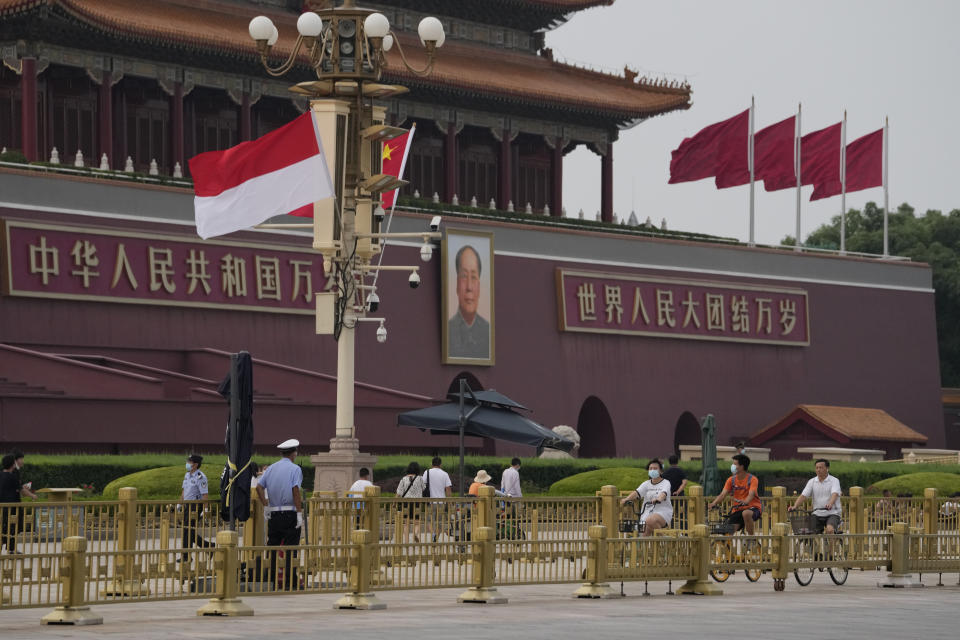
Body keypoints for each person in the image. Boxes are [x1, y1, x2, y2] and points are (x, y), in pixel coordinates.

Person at [256, 438, 304, 590]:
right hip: (289, 513)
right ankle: (290, 581)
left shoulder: (270, 468)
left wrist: (266, 505)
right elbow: (295, 490)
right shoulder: (295, 469)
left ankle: (270, 579)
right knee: (290, 549)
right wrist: (299, 512)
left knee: (273, 547)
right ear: (294, 453)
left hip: (274, 514)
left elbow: (259, 487)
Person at [448, 244, 490, 359]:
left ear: (479, 287)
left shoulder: (488, 332)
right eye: (464, 276)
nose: (469, 287)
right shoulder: (448, 330)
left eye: (474, 277)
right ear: (457, 284)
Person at [708, 453, 762, 535]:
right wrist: (714, 503)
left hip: (753, 508)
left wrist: (746, 501)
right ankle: (726, 546)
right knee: (727, 531)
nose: (732, 466)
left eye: (735, 464)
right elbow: (722, 495)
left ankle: (752, 539)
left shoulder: (753, 479)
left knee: (746, 513)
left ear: (742, 466)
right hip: (737, 510)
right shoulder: (731, 480)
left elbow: (751, 495)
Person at [788, 458, 842, 534]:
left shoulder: (834, 480)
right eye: (817, 468)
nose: (818, 470)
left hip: (832, 513)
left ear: (827, 468)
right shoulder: (812, 481)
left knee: (830, 530)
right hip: (817, 513)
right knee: (807, 531)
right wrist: (795, 506)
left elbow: (835, 494)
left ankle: (830, 546)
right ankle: (813, 546)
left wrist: (830, 504)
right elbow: (803, 495)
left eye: (821, 467)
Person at [620, 458, 672, 536]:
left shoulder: (666, 483)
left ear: (661, 471)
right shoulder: (646, 484)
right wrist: (626, 499)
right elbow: (637, 492)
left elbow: (663, 493)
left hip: (662, 512)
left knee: (650, 520)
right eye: (650, 468)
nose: (652, 470)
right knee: (643, 536)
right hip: (646, 513)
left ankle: (664, 541)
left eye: (655, 468)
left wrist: (658, 499)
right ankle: (649, 546)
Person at [180, 454, 213, 561]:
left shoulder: (201, 477)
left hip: (195, 506)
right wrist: (179, 504)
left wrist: (205, 508)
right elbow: (184, 491)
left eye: (189, 462)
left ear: (195, 464)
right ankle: (208, 547)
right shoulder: (187, 475)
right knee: (189, 531)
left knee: (187, 530)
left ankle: (186, 556)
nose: (187, 463)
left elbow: (205, 495)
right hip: (187, 505)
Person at [422, 457, 452, 541]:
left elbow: (422, 486)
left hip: (429, 501)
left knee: (429, 520)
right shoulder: (445, 474)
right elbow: (448, 489)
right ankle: (435, 538)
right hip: (442, 502)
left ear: (431, 464)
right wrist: (449, 502)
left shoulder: (426, 472)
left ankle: (433, 534)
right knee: (440, 522)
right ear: (440, 464)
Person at [395, 462, 426, 542]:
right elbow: (424, 488)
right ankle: (415, 534)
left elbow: (399, 492)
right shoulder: (420, 478)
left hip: (406, 503)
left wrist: (394, 503)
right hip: (417, 503)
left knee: (406, 523)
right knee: (417, 522)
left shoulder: (403, 479)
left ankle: (406, 541)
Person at [1, 454, 25, 553]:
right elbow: (22, 490)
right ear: (12, 464)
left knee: (2, 527)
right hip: (12, 507)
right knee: (12, 528)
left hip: (2, 507)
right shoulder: (12, 477)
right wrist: (33, 496)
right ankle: (11, 549)